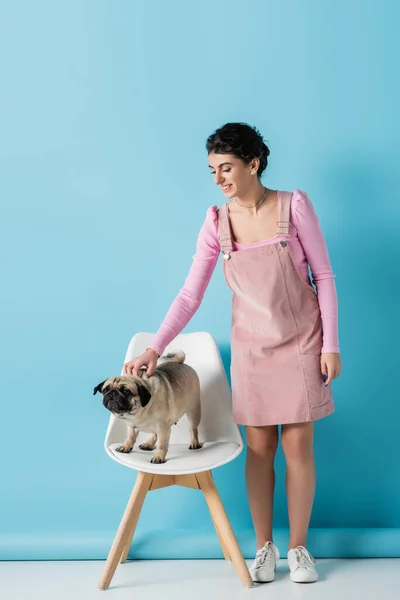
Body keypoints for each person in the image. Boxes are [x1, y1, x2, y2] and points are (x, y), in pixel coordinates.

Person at [123, 122, 341, 584]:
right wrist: (155, 347)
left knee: (298, 445)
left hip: (303, 342)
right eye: (213, 170)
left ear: (254, 163)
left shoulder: (292, 206)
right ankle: (265, 548)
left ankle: (299, 549)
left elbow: (324, 276)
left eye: (227, 167)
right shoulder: (216, 222)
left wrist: (331, 345)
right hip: (252, 349)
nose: (219, 178)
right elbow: (189, 296)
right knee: (260, 447)